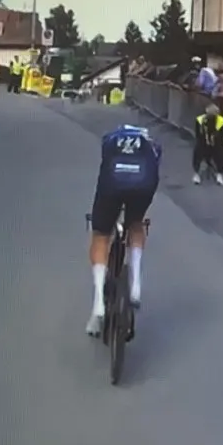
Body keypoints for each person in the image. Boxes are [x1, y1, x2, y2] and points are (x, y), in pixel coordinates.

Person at [87, 123, 162, 335]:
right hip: (143, 185)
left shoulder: (111, 139)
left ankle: (98, 304)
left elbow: (105, 167)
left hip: (113, 185)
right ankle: (135, 284)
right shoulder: (149, 143)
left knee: (101, 235)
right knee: (136, 223)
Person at [192, 100, 223, 185]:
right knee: (198, 149)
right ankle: (196, 173)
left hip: (216, 142)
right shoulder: (200, 120)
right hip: (204, 141)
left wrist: (213, 140)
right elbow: (198, 135)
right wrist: (205, 140)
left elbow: (221, 136)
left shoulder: (222, 122)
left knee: (220, 150)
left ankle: (220, 174)